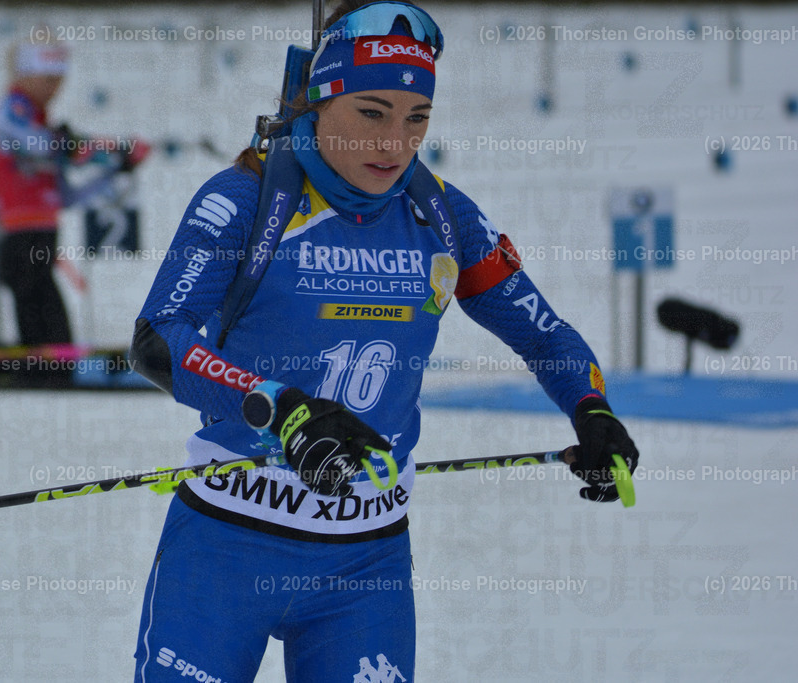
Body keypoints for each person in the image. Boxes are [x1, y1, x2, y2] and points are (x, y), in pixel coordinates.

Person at [129, 1, 639, 680]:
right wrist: (279, 407)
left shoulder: (442, 215)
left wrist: (591, 408)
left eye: (416, 118)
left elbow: (543, 334)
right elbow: (159, 338)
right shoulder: (244, 200)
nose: (395, 143)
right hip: (227, 546)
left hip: (365, 566)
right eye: (372, 113)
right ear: (319, 101)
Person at [0, 39, 149, 347]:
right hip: (19, 236)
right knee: (35, 297)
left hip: (44, 234)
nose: (55, 89)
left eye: (59, 81)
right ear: (26, 76)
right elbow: (44, 144)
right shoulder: (13, 109)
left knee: (46, 302)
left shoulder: (42, 122)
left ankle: (56, 367)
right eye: (48, 80)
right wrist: (104, 149)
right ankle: (43, 370)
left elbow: (68, 196)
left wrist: (115, 169)